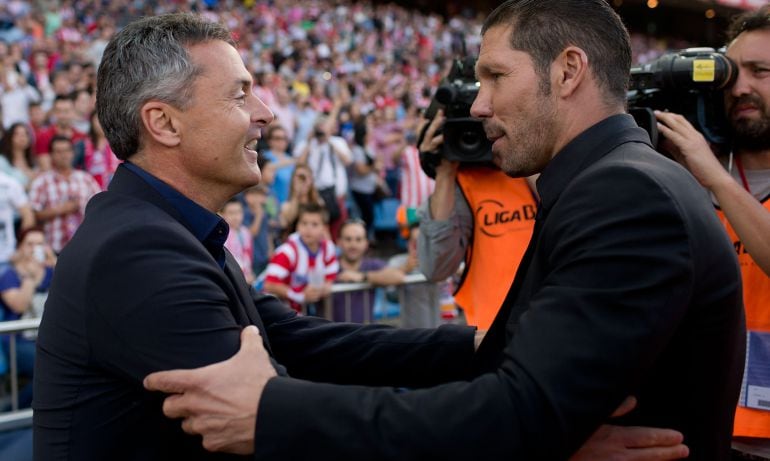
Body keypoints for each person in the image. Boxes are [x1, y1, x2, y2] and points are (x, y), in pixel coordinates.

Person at [144, 2, 744, 459]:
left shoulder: (624, 193)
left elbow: (520, 412)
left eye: (495, 76)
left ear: (567, 71)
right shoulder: (612, 178)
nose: (478, 106)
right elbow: (536, 409)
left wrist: (273, 412)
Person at [654, 6, 770, 459]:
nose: (740, 87)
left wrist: (715, 181)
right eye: (731, 74)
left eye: (761, 72)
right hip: (703, 425)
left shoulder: (709, 176)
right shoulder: (692, 173)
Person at [418, 110, 538, 329]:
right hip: (490, 331)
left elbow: (563, 206)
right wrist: (443, 170)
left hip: (548, 319)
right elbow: (436, 268)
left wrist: (523, 145)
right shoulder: (462, 184)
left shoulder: (529, 171)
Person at [0, 227, 56, 408]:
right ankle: (13, 409)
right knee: (47, 369)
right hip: (18, 341)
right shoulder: (10, 274)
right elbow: (19, 305)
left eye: (39, 244)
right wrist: (30, 278)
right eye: (29, 244)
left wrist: (55, 262)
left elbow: (73, 293)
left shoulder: (52, 272)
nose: (34, 248)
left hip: (47, 338)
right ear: (20, 247)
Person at [28, 135, 101, 253]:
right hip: (53, 248)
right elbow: (34, 215)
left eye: (67, 150)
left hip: (84, 245)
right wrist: (61, 209)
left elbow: (100, 208)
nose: (63, 155)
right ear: (51, 155)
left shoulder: (86, 179)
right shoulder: (41, 182)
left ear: (73, 153)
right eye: (58, 151)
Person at [263, 202, 338, 314]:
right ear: (297, 225)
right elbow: (269, 284)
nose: (308, 228)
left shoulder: (328, 248)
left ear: (324, 228)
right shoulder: (287, 251)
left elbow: (330, 277)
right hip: (271, 310)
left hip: (298, 312)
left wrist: (325, 287)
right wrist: (299, 295)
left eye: (314, 224)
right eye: (304, 223)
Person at [334, 218, 405, 322]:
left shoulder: (371, 265)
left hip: (363, 334)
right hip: (333, 336)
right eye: (348, 239)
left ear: (366, 243)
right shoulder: (328, 265)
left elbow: (398, 276)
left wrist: (363, 277)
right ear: (339, 242)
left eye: (358, 239)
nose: (353, 245)